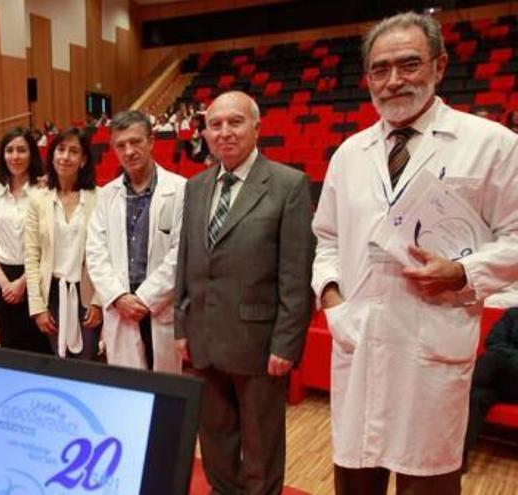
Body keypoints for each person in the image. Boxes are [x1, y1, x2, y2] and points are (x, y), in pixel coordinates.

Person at [312, 12, 518, 494]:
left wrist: (464, 271)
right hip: (359, 343)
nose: (393, 80)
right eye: (380, 70)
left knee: (428, 481)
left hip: (432, 347)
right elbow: (327, 240)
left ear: (440, 66)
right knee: (356, 480)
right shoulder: (350, 153)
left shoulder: (493, 145)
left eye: (409, 64)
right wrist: (333, 301)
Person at [174, 91, 315, 495]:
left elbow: (295, 274)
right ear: (204, 132)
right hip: (202, 338)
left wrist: (286, 344)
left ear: (257, 127)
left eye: (234, 122)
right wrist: (182, 325)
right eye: (215, 124)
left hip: (258, 344)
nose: (224, 132)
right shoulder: (197, 187)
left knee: (261, 446)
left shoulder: (288, 185)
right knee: (214, 440)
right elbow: (186, 261)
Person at [86, 110, 185, 373]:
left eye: (135, 142)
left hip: (159, 304)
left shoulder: (180, 189)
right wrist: (118, 297)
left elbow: (181, 252)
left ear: (150, 141)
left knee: (164, 390)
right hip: (121, 305)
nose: (129, 151)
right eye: (121, 145)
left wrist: (144, 298)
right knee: (127, 389)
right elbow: (95, 253)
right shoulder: (107, 195)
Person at [25, 128, 103, 360]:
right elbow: (31, 256)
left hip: (87, 292)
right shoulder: (38, 199)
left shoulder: (99, 197)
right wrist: (37, 306)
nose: (65, 157)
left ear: (83, 159)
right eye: (60, 149)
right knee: (61, 362)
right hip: (52, 292)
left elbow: (108, 253)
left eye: (73, 151)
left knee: (87, 362)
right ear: (52, 155)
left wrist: (99, 301)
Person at [0, 127, 51, 354]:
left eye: (22, 150)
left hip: (38, 277)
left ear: (32, 154)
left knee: (41, 350)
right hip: (4, 280)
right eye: (9, 150)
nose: (15, 156)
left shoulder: (45, 191)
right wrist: (5, 284)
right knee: (11, 350)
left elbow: (49, 246)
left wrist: (23, 283)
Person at [463, 307, 518, 470]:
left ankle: (464, 388)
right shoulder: (513, 314)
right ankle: (460, 455)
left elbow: (497, 349)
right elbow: (492, 341)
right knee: (477, 396)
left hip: (503, 372)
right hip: (500, 380)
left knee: (491, 359)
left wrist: (508, 357)